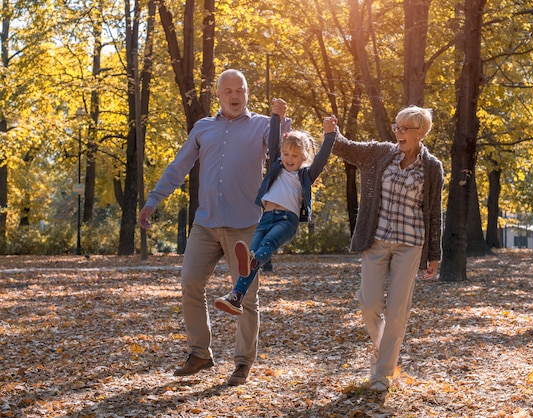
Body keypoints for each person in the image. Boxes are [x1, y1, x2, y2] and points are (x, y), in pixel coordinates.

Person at [138, 69, 289, 386]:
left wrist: (281, 121)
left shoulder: (262, 125)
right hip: (205, 224)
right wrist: (153, 200)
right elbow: (178, 166)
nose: (235, 96)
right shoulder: (203, 128)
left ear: (247, 93)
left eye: (241, 90)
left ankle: (243, 362)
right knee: (190, 283)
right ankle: (200, 354)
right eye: (228, 90)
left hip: (246, 226)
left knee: (246, 296)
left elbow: (281, 151)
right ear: (218, 95)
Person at [325, 106, 444, 392]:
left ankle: (382, 373)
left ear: (421, 133)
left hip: (410, 244)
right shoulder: (380, 153)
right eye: (397, 127)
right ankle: (383, 350)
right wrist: (332, 132)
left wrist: (434, 254)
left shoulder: (432, 168)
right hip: (376, 240)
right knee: (369, 305)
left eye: (404, 129)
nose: (398, 133)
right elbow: (346, 148)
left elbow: (434, 213)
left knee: (397, 311)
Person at [214, 113, 336, 315]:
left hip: (287, 220)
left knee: (267, 245)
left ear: (304, 157)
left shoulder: (305, 175)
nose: (289, 159)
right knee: (249, 259)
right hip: (265, 219)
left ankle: (252, 266)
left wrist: (329, 135)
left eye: (295, 155)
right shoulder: (276, 168)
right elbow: (272, 142)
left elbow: (321, 158)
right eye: (286, 154)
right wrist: (276, 117)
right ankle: (236, 297)